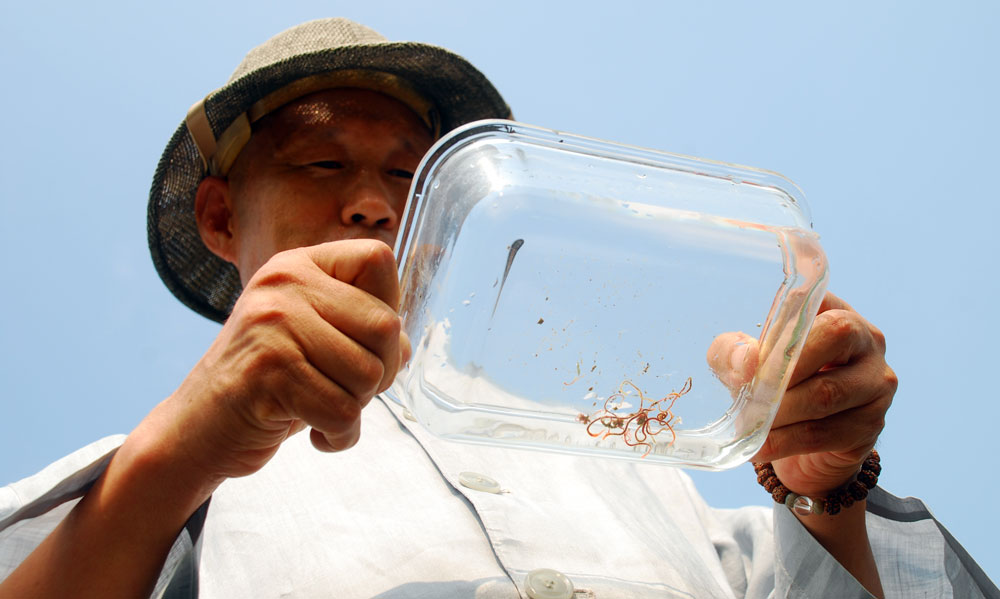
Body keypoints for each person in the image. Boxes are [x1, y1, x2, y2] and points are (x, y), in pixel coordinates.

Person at [0, 17, 994, 599]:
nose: (374, 200)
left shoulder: (628, 460)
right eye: (319, 163)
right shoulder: (142, 497)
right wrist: (180, 448)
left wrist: (824, 488)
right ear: (219, 218)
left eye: (410, 172)